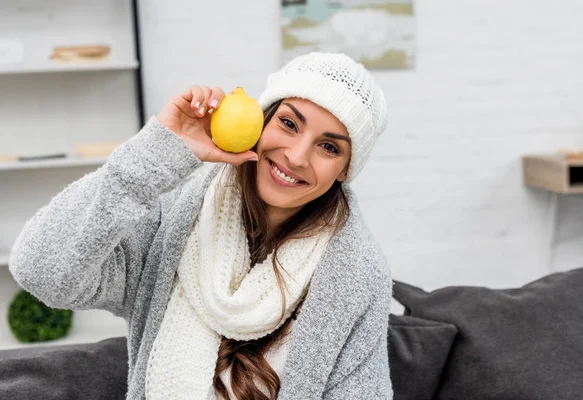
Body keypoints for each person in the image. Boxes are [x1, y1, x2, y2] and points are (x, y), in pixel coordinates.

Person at [9, 52, 392, 400]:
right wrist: (155, 153)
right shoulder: (172, 222)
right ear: (261, 120)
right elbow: (42, 270)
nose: (295, 156)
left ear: (345, 170)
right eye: (289, 123)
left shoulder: (356, 275)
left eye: (329, 147)